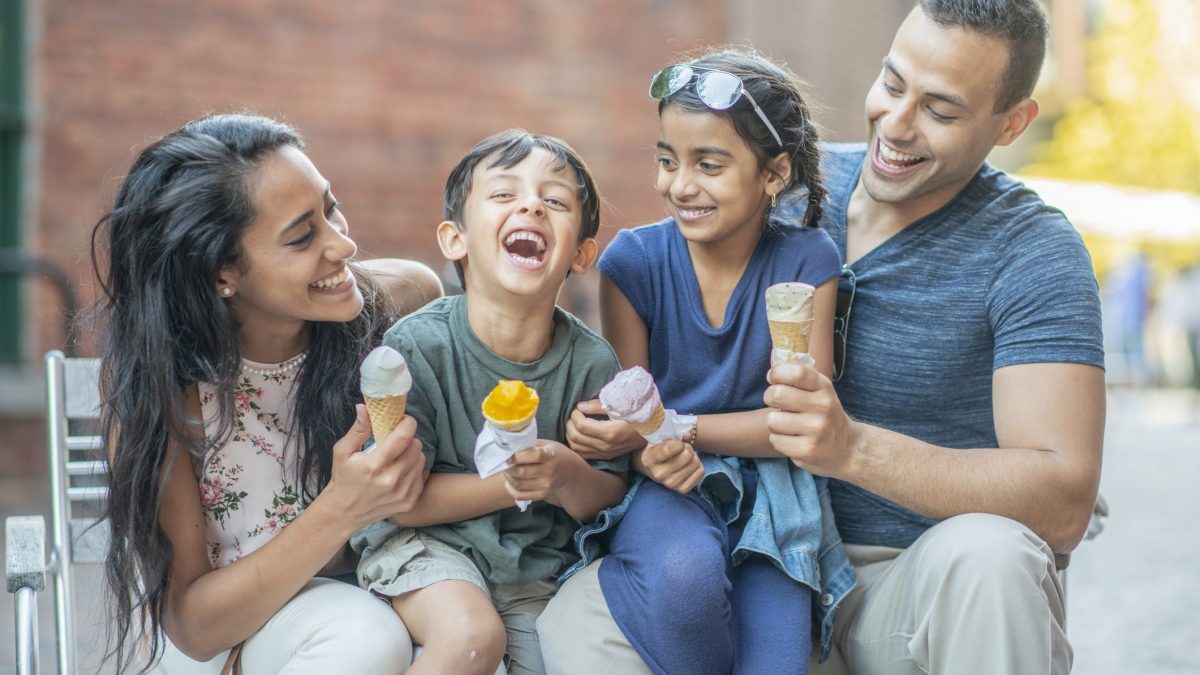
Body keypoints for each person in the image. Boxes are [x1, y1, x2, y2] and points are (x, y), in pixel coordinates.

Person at [764, 1, 1105, 673]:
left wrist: (853, 449)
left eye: (940, 111)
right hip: (764, 568)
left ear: (1012, 123)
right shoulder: (781, 193)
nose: (895, 124)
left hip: (915, 587)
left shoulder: (1034, 251)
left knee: (992, 556)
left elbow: (1065, 499)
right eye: (892, 84)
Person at [538, 48, 855, 675]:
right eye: (667, 160)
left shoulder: (807, 262)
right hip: (668, 486)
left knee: (780, 655)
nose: (680, 185)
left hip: (773, 495)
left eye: (708, 164)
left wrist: (668, 425)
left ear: (773, 173)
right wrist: (614, 436)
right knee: (683, 585)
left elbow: (796, 428)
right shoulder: (633, 265)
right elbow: (633, 408)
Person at [92, 112, 435, 674]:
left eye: (332, 206)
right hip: (225, 636)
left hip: (368, 598)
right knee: (364, 635)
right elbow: (192, 627)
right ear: (220, 272)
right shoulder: (165, 387)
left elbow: (417, 282)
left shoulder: (391, 306)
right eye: (303, 236)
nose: (343, 244)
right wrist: (343, 508)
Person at [350, 129, 630, 675]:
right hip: (422, 546)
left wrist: (568, 475)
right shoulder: (418, 348)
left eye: (554, 200)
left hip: (532, 570)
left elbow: (608, 496)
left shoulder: (592, 364)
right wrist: (508, 483)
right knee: (474, 639)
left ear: (581, 254)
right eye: (504, 194)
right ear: (455, 239)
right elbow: (400, 501)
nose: (531, 203)